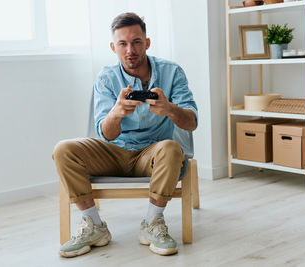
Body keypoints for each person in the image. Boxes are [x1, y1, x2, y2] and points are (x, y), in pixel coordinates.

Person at [53, 12, 198, 257]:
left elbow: (192, 122)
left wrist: (169, 109)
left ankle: (153, 223)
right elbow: (105, 134)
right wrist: (116, 113)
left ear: (147, 43)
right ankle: (94, 225)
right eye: (122, 43)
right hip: (114, 150)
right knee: (63, 149)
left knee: (172, 149)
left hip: (153, 154)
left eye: (136, 42)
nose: (130, 50)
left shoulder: (172, 72)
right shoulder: (107, 77)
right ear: (114, 47)